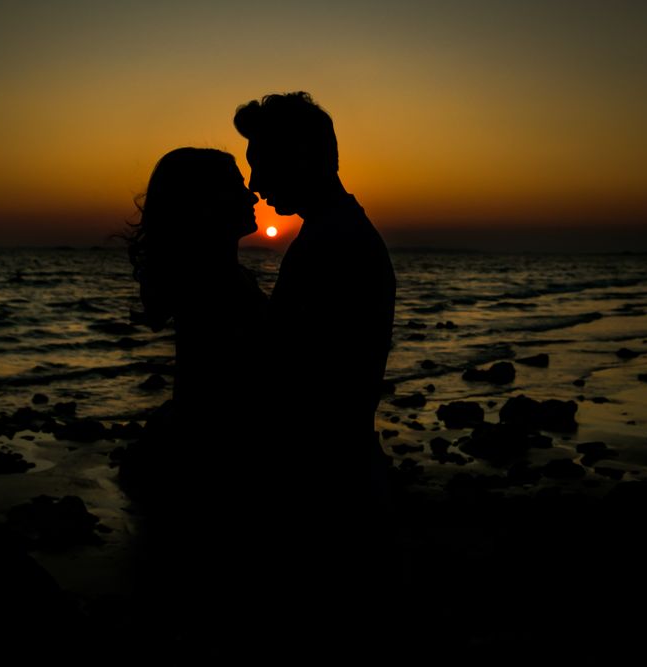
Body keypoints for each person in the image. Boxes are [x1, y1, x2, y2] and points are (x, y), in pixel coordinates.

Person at [234, 91, 399, 655]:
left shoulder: (334, 243)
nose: (254, 182)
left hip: (329, 493)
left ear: (302, 156)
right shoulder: (335, 234)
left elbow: (298, 380)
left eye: (260, 161)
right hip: (341, 477)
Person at [122, 147, 269, 659]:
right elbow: (225, 390)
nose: (250, 192)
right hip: (213, 466)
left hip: (201, 450)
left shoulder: (218, 274)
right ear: (204, 204)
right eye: (234, 185)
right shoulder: (213, 281)